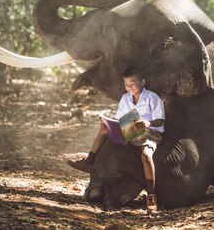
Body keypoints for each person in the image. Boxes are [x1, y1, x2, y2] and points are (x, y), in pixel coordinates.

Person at [67, 66, 165, 213]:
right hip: (131, 129)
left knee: (146, 155)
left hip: (149, 132)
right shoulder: (125, 98)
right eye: (126, 84)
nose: (129, 87)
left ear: (143, 82)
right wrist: (111, 125)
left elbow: (161, 121)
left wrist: (148, 123)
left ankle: (151, 195)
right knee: (103, 130)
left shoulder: (152, 97)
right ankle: (89, 162)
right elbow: (122, 119)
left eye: (132, 84)